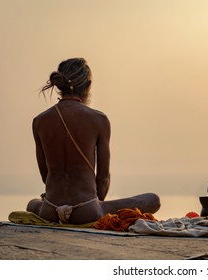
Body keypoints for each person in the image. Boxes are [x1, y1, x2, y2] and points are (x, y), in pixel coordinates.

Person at [27, 58, 160, 224]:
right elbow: (103, 179)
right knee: (153, 200)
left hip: (50, 210)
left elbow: (45, 175)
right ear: (88, 85)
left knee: (32, 204)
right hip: (86, 210)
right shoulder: (98, 119)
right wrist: (96, 205)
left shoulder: (39, 121)